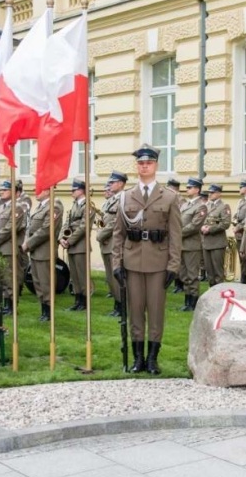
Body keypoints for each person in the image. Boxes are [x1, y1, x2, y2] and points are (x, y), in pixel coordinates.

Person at [111, 144, 182, 375]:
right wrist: (116, 263)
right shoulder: (125, 197)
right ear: (137, 166)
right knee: (135, 310)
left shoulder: (169, 197)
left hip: (158, 264)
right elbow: (118, 234)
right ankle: (138, 358)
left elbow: (175, 235)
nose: (144, 166)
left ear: (156, 165)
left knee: (156, 311)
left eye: (148, 163)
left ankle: (152, 359)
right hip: (131, 263)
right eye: (141, 163)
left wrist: (173, 265)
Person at [22, 187, 64, 321]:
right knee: (38, 283)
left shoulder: (54, 207)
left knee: (46, 283)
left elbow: (46, 230)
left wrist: (28, 244)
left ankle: (49, 311)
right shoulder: (42, 206)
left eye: (39, 189)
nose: (35, 192)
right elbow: (32, 228)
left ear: (47, 191)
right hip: (36, 251)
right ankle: (44, 309)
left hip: (45, 251)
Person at [60, 177, 96, 311]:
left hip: (80, 246)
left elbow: (83, 227)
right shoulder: (75, 204)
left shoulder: (89, 206)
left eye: (74, 190)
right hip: (72, 245)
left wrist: (69, 240)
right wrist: (61, 238)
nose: (71, 192)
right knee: (74, 276)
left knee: (82, 275)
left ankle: (85, 302)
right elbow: (67, 223)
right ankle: (78, 300)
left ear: (81, 190)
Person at [97, 171, 127, 317]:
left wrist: (101, 234)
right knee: (110, 277)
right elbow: (105, 219)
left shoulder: (123, 199)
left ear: (120, 183)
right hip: (106, 243)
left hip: (115, 243)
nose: (109, 185)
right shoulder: (111, 200)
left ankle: (123, 306)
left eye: (112, 182)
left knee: (117, 277)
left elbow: (117, 222)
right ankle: (117, 304)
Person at [0, 180, 27, 315]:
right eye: (2, 189)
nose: (2, 191)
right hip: (1, 247)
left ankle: (12, 306)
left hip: (10, 248)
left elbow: (9, 228)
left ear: (15, 193)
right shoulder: (3, 207)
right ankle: (6, 304)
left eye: (5, 189)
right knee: (4, 278)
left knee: (11, 278)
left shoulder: (17, 208)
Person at [179, 177, 208, 311]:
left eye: (189, 187)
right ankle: (187, 301)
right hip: (181, 244)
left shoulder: (201, 206)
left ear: (197, 189)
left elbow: (195, 226)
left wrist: (177, 233)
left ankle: (194, 301)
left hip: (191, 245)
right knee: (183, 274)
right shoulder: (185, 205)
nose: (187, 189)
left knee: (192, 274)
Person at [200, 183, 231, 287]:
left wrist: (210, 229)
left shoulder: (223, 206)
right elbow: (201, 220)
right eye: (209, 193)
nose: (210, 195)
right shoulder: (206, 206)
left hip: (217, 243)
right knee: (209, 271)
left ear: (218, 193)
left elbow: (226, 223)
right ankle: (211, 292)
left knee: (218, 271)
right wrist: (202, 227)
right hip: (206, 242)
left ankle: (220, 295)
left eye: (212, 193)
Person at [166, 178, 186, 293]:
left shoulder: (180, 199)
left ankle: (180, 284)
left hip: (178, 232)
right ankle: (177, 283)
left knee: (178, 260)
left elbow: (181, 216)